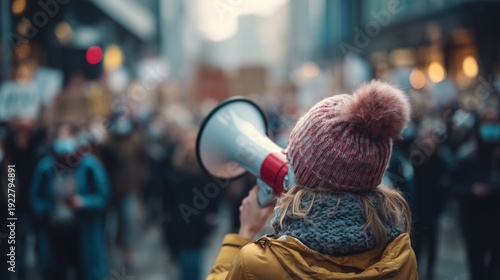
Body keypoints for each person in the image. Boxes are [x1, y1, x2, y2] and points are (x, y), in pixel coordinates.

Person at [208, 80, 418, 279]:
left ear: (301, 175)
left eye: (292, 157)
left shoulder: (256, 265)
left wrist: (244, 233)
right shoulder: (402, 258)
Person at [29, 123, 111, 280]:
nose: (64, 141)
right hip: (54, 232)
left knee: (85, 271)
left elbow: (104, 195)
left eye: (68, 137)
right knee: (56, 272)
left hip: (83, 231)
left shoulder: (90, 166)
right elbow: (34, 197)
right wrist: (46, 210)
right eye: (61, 137)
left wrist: (84, 202)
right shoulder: (45, 167)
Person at [453, 109, 500, 280]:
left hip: (496, 225)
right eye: (487, 122)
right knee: (477, 270)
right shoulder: (466, 156)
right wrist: (472, 190)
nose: (491, 128)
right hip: (474, 224)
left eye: (495, 123)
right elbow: (453, 187)